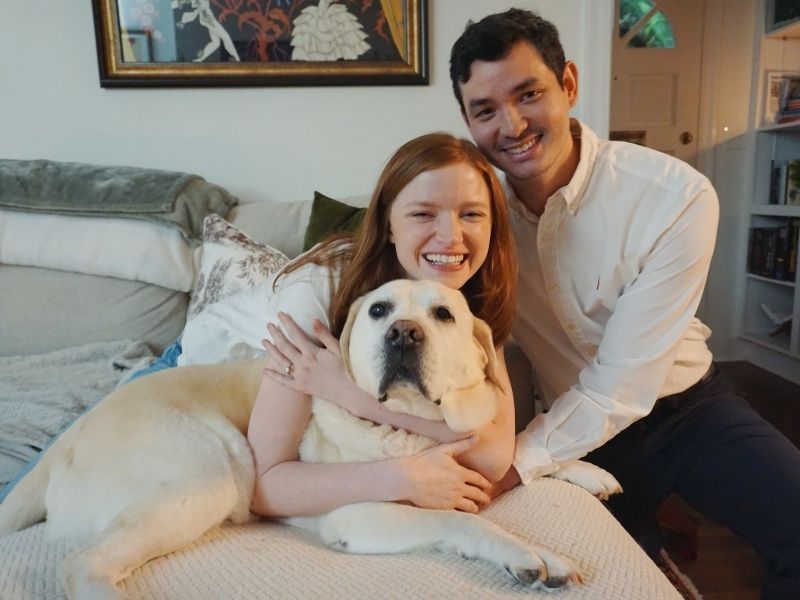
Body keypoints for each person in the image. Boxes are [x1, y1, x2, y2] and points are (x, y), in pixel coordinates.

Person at [448, 8, 800, 599]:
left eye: (528, 94)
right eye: (485, 110)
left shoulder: (675, 195)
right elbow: (395, 247)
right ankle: (653, 547)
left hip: (685, 407)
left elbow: (623, 384)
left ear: (569, 85)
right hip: (568, 424)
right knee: (607, 574)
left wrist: (514, 464)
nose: (511, 125)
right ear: (468, 120)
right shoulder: (474, 212)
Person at [182, 132, 519, 516]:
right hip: (197, 374)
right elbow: (264, 486)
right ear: (388, 224)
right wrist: (401, 479)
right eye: (423, 213)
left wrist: (350, 392)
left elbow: (493, 455)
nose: (451, 236)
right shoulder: (318, 293)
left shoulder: (471, 298)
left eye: (472, 214)